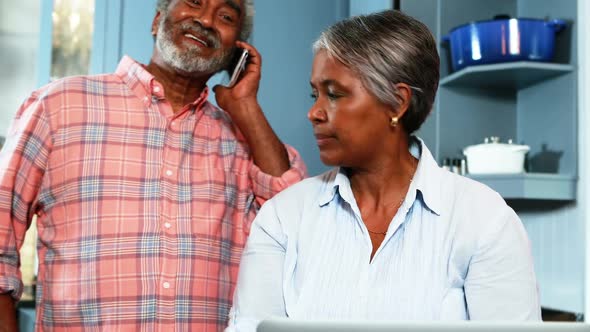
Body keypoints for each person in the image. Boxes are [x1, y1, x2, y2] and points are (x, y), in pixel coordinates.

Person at [0, 0, 306, 330]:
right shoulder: (58, 106)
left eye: (226, 16)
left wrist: (246, 107)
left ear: (237, 52)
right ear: (158, 20)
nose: (205, 20)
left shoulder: (245, 142)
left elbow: (295, 227)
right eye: (194, 2)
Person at [226, 10, 540, 331]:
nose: (314, 112)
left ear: (397, 103)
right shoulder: (283, 218)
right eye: (315, 94)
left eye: (334, 94)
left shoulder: (484, 220)